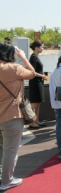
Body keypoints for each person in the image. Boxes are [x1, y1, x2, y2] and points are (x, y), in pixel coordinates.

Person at [0, 43, 35, 191]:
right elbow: (32, 73)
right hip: (11, 115)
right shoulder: (14, 68)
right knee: (10, 150)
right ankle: (6, 181)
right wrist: (23, 57)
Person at [28, 40, 47, 129]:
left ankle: (36, 120)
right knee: (34, 103)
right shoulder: (33, 57)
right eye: (41, 47)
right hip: (35, 82)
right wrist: (42, 75)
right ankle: (32, 122)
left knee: (38, 102)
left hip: (38, 82)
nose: (42, 49)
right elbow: (32, 72)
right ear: (36, 48)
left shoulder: (35, 57)